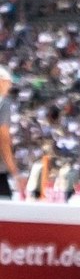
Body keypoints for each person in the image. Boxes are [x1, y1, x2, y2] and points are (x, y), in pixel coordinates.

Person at [0, 69, 16, 199]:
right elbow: (3, 138)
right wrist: (14, 170)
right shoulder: (3, 103)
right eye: (8, 82)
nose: (9, 86)